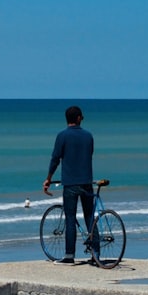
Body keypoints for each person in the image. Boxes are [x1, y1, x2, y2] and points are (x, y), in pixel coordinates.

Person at [43, 105, 96, 264]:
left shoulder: (62, 136)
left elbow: (55, 159)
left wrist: (48, 178)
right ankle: (96, 254)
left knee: (70, 218)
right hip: (87, 181)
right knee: (89, 217)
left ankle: (69, 255)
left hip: (71, 184)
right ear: (78, 118)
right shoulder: (88, 136)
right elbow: (89, 154)